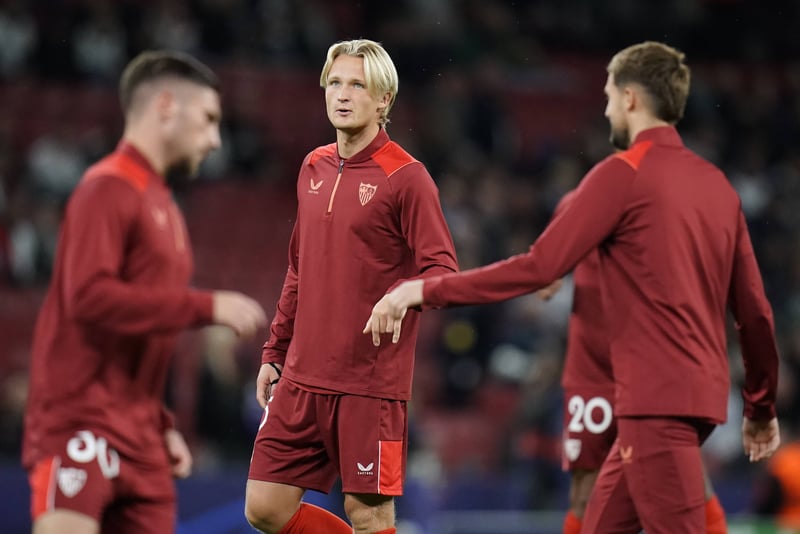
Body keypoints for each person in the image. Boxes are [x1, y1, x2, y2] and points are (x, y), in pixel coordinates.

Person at [367, 41, 781, 533]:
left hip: (657, 402)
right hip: (690, 399)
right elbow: (754, 310)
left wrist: (424, 290)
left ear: (630, 98)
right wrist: (760, 406)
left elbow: (539, 267)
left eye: (608, 96)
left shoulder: (622, 174)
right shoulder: (718, 186)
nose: (605, 109)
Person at [22, 50, 268, 534]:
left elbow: (142, 332)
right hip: (82, 423)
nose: (216, 140)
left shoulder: (165, 207)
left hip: (142, 441)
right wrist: (206, 305)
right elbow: (88, 298)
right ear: (166, 106)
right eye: (208, 119)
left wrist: (158, 422)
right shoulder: (107, 188)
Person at [244, 39, 458, 534]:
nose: (342, 94)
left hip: (369, 385)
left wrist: (403, 294)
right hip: (301, 378)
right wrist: (275, 351)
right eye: (335, 82)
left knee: (369, 516)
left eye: (358, 85)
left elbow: (443, 271)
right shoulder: (312, 166)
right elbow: (298, 267)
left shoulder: (408, 178)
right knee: (264, 508)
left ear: (384, 100)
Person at [537, 192, 727, 534]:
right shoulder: (580, 202)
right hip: (593, 373)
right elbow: (548, 260)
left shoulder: (670, 209)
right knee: (584, 494)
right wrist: (549, 274)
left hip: (650, 372)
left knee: (690, 484)